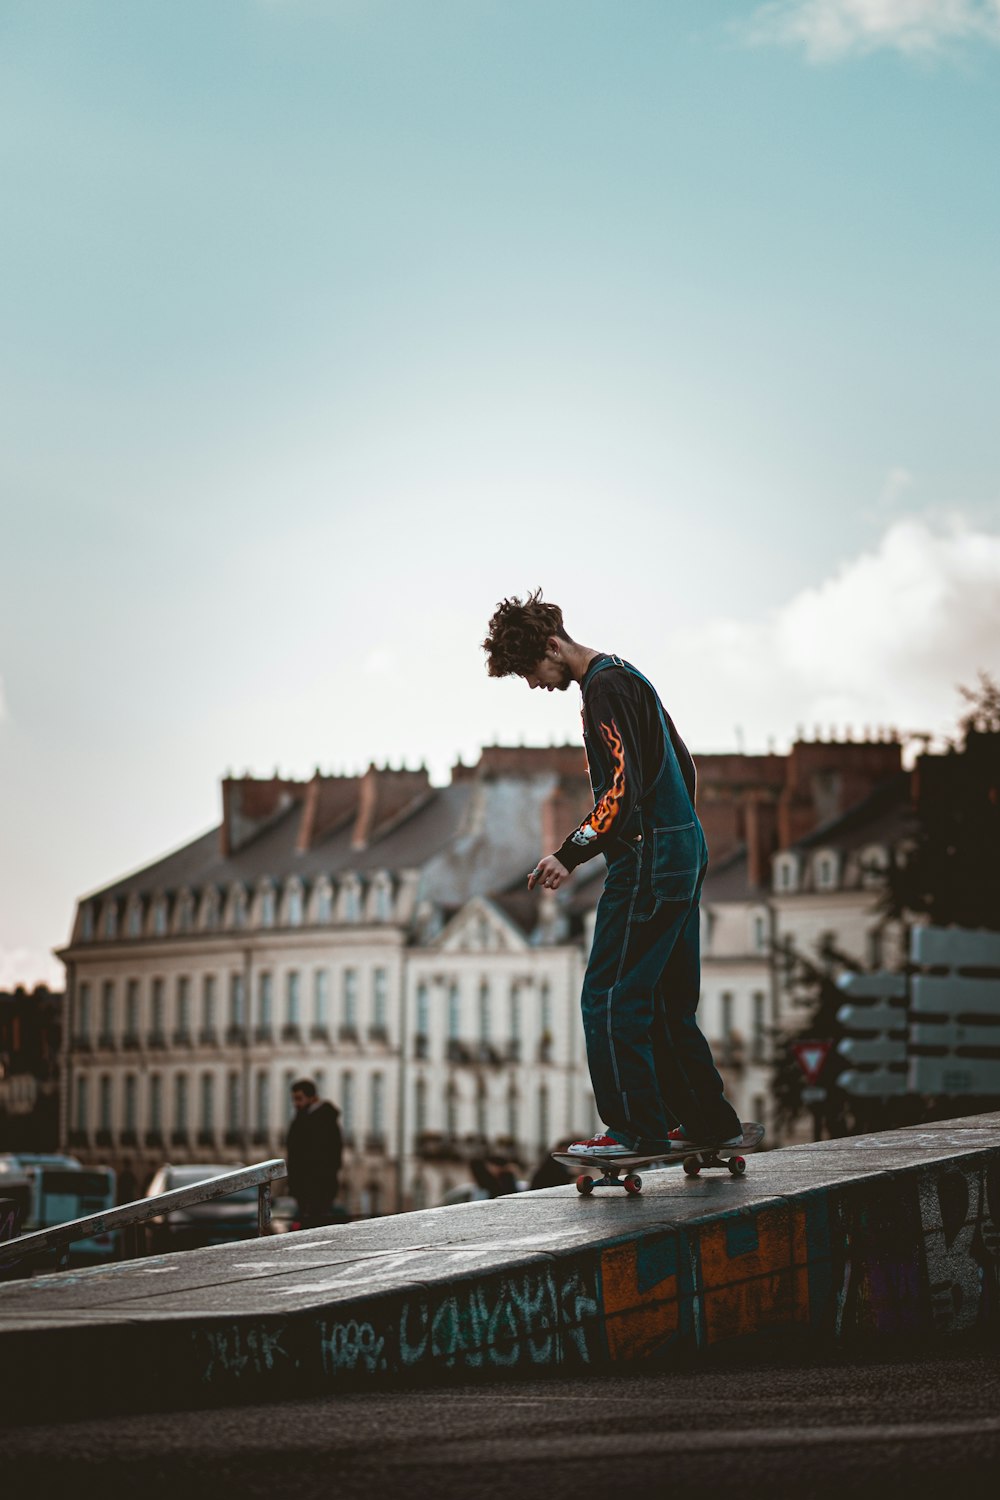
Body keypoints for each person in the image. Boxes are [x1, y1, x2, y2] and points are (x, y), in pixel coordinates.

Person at [483, 590, 742, 1161]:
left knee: (609, 998)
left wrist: (568, 854)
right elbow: (683, 762)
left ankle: (634, 1130)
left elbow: (621, 790)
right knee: (668, 1001)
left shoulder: (603, 687)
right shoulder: (631, 677)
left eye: (532, 669)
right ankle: (708, 1121)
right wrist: (678, 832)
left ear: (554, 645)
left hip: (647, 863)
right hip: (680, 850)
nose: (533, 684)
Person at [286, 1077, 344, 1228]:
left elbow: (332, 1154)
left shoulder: (324, 1120)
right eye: (294, 1099)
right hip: (305, 1185)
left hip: (318, 1185)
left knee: (314, 1224)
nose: (296, 1103)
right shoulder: (302, 1118)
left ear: (312, 1098)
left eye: (299, 1098)